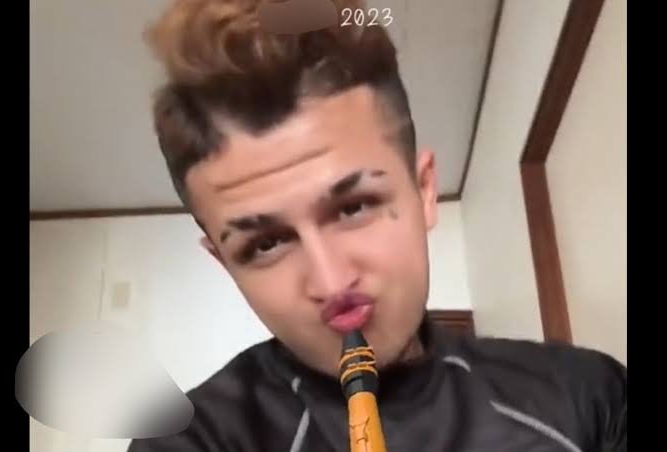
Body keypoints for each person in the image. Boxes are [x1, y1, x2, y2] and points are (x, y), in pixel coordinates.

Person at [128, 0, 627, 451]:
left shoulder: (587, 395)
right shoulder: (190, 442)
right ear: (223, 263)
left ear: (424, 190)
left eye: (353, 207)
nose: (330, 282)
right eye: (266, 243)